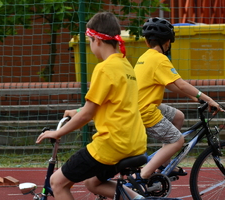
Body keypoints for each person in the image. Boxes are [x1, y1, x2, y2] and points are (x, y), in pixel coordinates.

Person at [36, 12, 147, 200]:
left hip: (112, 144)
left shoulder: (104, 68)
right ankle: (138, 199)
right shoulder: (125, 65)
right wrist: (76, 111)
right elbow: (110, 103)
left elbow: (87, 114)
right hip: (133, 141)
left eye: (89, 41)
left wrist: (57, 133)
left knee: (56, 183)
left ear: (96, 40)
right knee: (92, 182)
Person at [133, 17, 225, 181]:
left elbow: (170, 84)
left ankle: (163, 164)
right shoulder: (160, 59)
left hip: (141, 106)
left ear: (147, 42)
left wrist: (193, 97)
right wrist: (208, 98)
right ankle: (144, 174)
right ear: (168, 42)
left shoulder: (145, 57)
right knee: (177, 140)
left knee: (178, 116)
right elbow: (180, 83)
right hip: (145, 111)